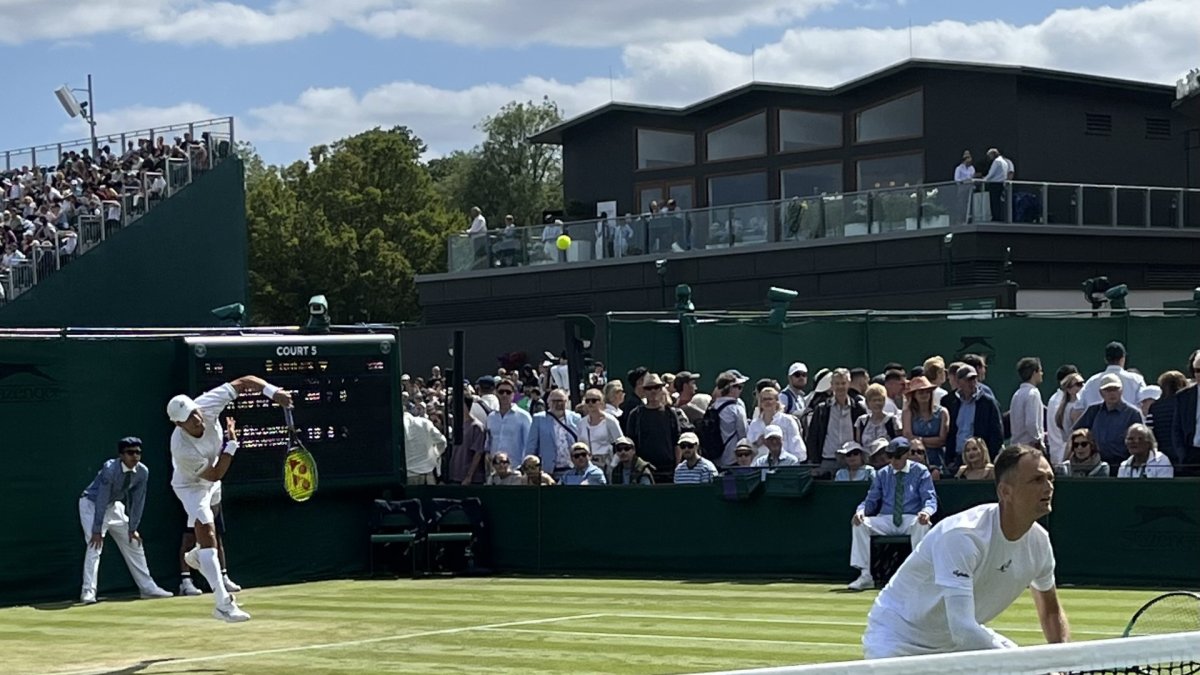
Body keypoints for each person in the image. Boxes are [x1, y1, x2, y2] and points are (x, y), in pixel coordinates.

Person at [861, 445, 1068, 658]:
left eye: (1050, 479)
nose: (1048, 487)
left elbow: (1051, 612)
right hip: (898, 640)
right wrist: (1027, 665)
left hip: (957, 641)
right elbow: (962, 629)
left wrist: (1063, 663)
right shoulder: (963, 535)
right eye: (1037, 480)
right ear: (1006, 491)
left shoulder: (1040, 543)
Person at [167, 375, 292, 622]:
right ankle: (223, 604)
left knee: (206, 534)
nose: (196, 419)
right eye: (188, 420)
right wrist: (232, 445)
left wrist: (272, 392)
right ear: (178, 425)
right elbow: (213, 474)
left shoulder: (207, 404)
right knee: (209, 532)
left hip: (213, 483)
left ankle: (195, 556)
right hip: (191, 486)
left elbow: (244, 381)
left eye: (194, 412)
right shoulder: (181, 448)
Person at [78, 437, 173, 604]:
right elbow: (101, 499)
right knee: (94, 545)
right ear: (121, 455)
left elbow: (138, 500)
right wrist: (97, 529)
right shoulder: (110, 469)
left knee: (134, 541)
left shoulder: (142, 472)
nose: (135, 457)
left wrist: (132, 527)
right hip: (91, 505)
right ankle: (88, 591)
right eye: (130, 453)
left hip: (114, 506)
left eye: (138, 453)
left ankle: (148, 588)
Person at [847, 438, 938, 591]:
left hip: (911, 517)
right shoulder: (882, 474)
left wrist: (926, 512)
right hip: (886, 519)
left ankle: (920, 575)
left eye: (897, 457)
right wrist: (860, 512)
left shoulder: (921, 471)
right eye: (890, 457)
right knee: (859, 523)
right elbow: (871, 500)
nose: (893, 461)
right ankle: (865, 575)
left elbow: (930, 498)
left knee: (922, 524)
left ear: (906, 455)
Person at [746, 386, 806, 462]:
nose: (767, 402)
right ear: (760, 403)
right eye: (764, 399)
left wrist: (793, 464)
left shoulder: (788, 421)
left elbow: (797, 446)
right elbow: (748, 449)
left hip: (784, 465)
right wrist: (757, 443)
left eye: (770, 399)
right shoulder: (754, 424)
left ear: (777, 401)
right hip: (760, 466)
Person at [903, 376, 950, 472]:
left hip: (938, 460)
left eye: (927, 391)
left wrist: (919, 440)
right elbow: (908, 436)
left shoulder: (942, 412)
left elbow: (942, 440)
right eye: (920, 392)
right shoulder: (908, 412)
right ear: (914, 395)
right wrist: (930, 442)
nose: (924, 394)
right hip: (915, 460)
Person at [1009, 357, 1046, 450]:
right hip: (1030, 447)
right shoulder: (1033, 393)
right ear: (1034, 373)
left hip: (1016, 446)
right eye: (1040, 371)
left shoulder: (1016, 394)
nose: (1042, 374)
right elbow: (1031, 423)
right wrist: (1038, 440)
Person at [404, 409, 447, 485]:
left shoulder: (395, 427)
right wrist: (434, 456)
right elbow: (442, 442)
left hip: (409, 477)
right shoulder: (425, 422)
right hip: (428, 476)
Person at [1049, 371, 1084, 466]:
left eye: (1082, 383)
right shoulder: (1075, 407)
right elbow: (1075, 434)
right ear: (1069, 389)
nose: (1082, 386)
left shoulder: (1064, 407)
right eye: (1078, 384)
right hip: (1075, 452)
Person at [953, 151, 976, 225]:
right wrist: (964, 181)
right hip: (962, 188)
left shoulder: (972, 168)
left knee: (970, 203)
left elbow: (973, 177)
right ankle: (961, 220)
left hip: (970, 188)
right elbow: (956, 179)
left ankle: (970, 219)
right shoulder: (959, 168)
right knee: (961, 204)